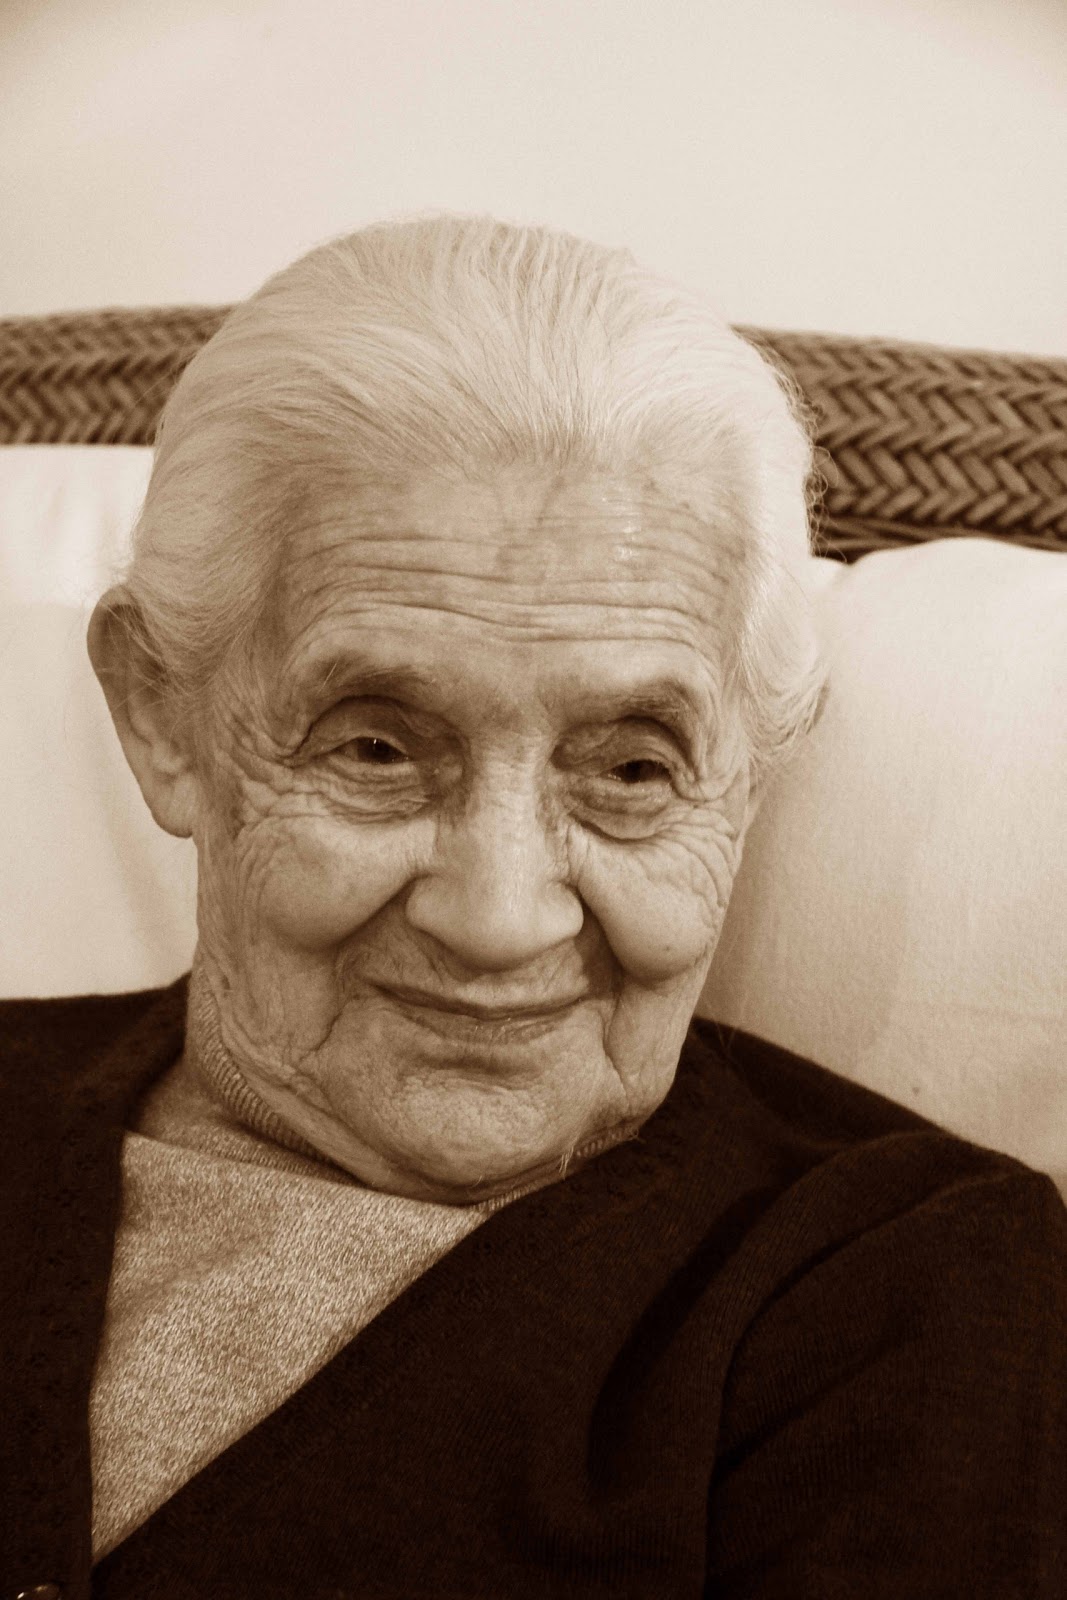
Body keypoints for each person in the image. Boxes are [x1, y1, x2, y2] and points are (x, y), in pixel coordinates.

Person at [1, 215, 1063, 1600]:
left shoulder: (900, 1282)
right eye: (375, 748)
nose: (500, 918)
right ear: (162, 718)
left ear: (752, 774)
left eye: (631, 770)